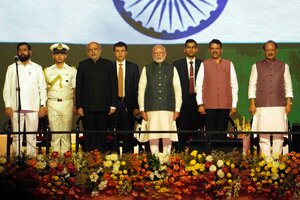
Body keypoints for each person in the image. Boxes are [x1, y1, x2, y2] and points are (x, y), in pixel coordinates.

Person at [248, 40, 293, 157]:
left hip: (280, 105)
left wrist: (288, 103)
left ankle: (277, 163)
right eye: (267, 50)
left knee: (279, 135)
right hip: (262, 105)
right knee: (263, 136)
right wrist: (252, 103)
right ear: (264, 51)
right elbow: (252, 85)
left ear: (276, 51)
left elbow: (288, 85)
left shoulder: (284, 66)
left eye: (272, 49)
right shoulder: (256, 66)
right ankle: (266, 164)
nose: (270, 52)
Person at [3, 42, 47, 157]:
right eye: (20, 50)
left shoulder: (37, 68)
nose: (22, 52)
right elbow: (7, 88)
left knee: (31, 136)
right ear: (17, 52)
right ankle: (18, 160)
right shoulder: (12, 68)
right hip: (15, 108)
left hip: (33, 108)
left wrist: (43, 105)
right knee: (17, 136)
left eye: (25, 50)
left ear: (30, 52)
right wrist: (7, 105)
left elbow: (42, 88)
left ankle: (31, 160)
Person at [138, 45, 182, 155]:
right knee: (153, 134)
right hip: (151, 108)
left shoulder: (172, 68)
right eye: (156, 53)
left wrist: (177, 109)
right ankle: (155, 159)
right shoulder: (146, 68)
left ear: (165, 54)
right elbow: (141, 90)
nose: (158, 55)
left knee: (167, 134)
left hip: (168, 108)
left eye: (160, 52)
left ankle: (167, 159)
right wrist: (142, 109)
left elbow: (178, 90)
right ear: (153, 55)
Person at [76, 42, 117, 153]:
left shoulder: (108, 64)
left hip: (104, 108)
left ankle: (102, 159)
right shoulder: (83, 65)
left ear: (100, 50)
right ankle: (89, 160)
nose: (93, 51)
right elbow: (78, 87)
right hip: (87, 108)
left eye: (95, 49)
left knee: (102, 136)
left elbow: (114, 85)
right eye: (90, 49)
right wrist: (79, 106)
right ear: (87, 52)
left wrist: (113, 105)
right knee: (89, 136)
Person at [196, 39, 238, 140]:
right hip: (208, 105)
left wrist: (234, 104)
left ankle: (220, 154)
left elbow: (234, 85)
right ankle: (210, 155)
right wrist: (200, 104)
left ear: (221, 50)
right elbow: (198, 85)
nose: (215, 50)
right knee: (210, 133)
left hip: (225, 105)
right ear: (209, 50)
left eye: (217, 48)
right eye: (212, 48)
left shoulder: (229, 64)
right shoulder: (204, 64)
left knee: (222, 133)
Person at [44, 43, 77, 155]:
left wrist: (75, 105)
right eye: (57, 54)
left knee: (66, 135)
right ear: (53, 56)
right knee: (55, 135)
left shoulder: (72, 70)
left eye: (62, 54)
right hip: (52, 103)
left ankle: (67, 165)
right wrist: (44, 106)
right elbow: (44, 90)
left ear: (65, 56)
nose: (59, 56)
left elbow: (74, 89)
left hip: (67, 103)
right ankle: (55, 164)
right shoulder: (47, 71)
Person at [173, 39, 204, 152]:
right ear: (184, 49)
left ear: (197, 49)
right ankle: (181, 155)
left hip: (198, 103)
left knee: (197, 131)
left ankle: (196, 155)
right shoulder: (176, 64)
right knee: (182, 131)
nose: (191, 49)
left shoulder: (202, 64)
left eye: (193, 47)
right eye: (188, 47)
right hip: (182, 102)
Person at [112, 41, 140, 154]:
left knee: (128, 132)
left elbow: (137, 87)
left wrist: (136, 106)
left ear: (126, 52)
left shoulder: (133, 67)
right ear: (114, 53)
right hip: (113, 104)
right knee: (113, 133)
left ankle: (128, 158)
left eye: (122, 51)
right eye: (117, 51)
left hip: (128, 104)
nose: (120, 53)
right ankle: (113, 157)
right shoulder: (109, 67)